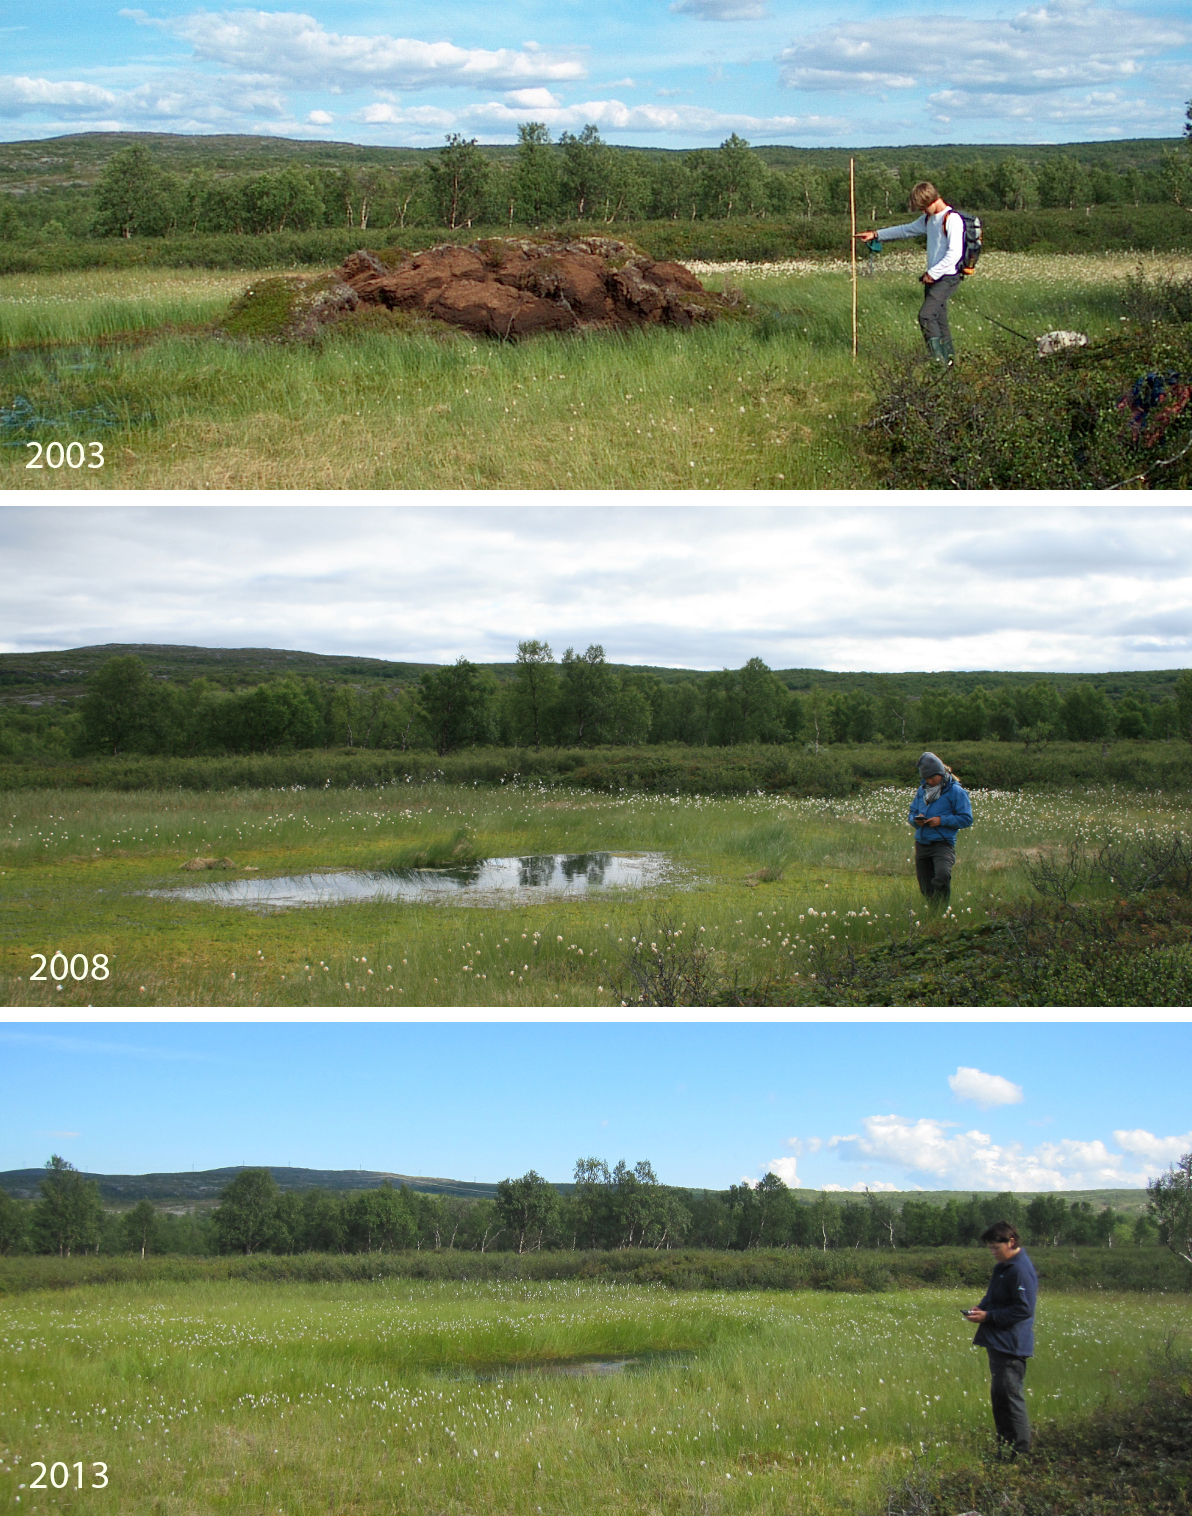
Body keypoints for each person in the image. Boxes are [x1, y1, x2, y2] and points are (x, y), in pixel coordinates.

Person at [857, 181, 965, 364]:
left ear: (932, 200)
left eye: (924, 208)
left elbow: (955, 254)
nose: (923, 212)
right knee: (940, 320)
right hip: (934, 279)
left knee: (926, 315)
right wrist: (876, 234)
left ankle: (937, 362)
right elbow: (906, 230)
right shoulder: (929, 219)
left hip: (947, 277)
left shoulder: (952, 219)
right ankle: (951, 363)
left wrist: (933, 273)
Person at [963, 1221, 1038, 1455]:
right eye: (990, 1249)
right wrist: (981, 1308)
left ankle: (1019, 1454)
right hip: (998, 1342)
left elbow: (1023, 1309)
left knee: (1011, 1398)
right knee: (1000, 1397)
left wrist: (989, 1316)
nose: (993, 1253)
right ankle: (1004, 1450)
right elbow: (993, 1296)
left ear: (1011, 1242)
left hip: (1011, 1345)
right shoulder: (1003, 1267)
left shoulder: (1019, 1270)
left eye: (996, 1248)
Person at [908, 751, 972, 908]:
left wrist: (942, 820)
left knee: (942, 876)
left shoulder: (956, 791)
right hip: (922, 843)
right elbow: (912, 814)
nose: (929, 781)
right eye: (926, 779)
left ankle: (942, 911)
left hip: (943, 843)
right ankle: (933, 912)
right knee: (925, 885)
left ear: (941, 773)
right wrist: (917, 821)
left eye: (932, 778)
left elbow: (966, 819)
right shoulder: (921, 790)